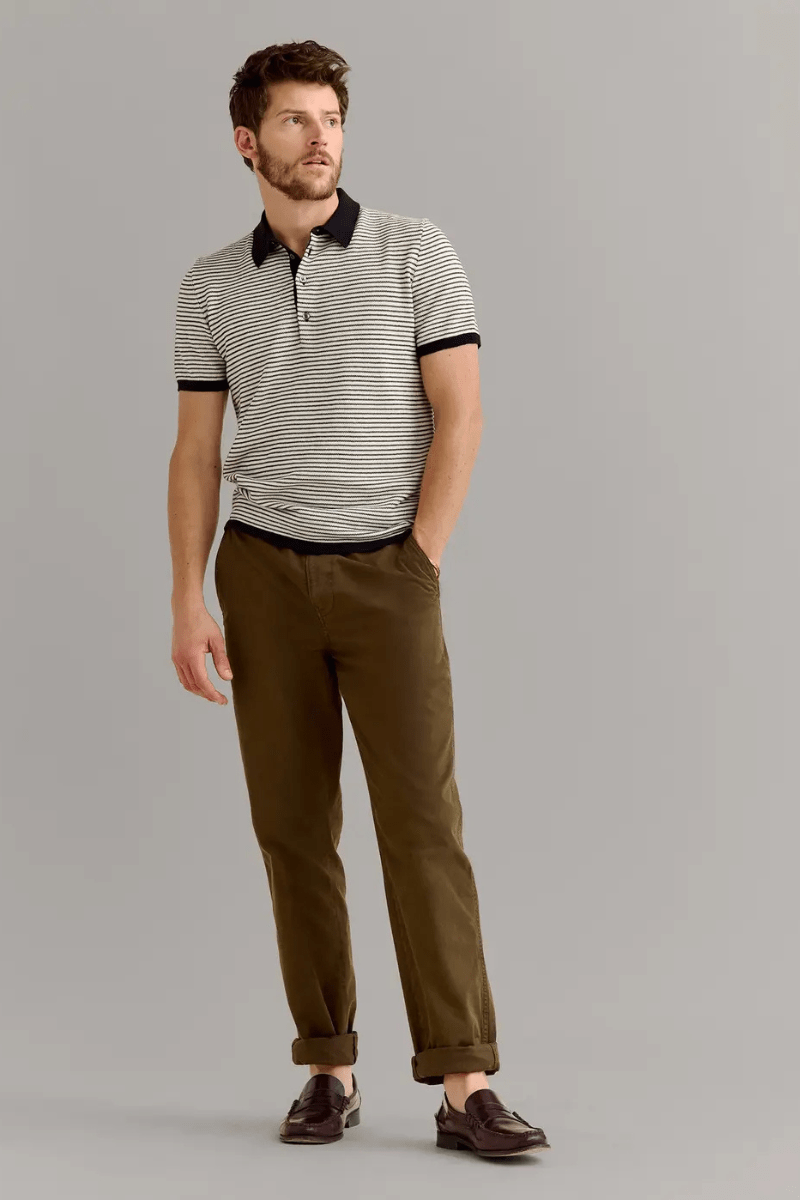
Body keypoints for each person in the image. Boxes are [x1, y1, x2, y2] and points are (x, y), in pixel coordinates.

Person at [168, 38, 550, 1160]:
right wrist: (187, 597)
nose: (320, 139)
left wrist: (417, 560)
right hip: (261, 575)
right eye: (295, 120)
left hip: (387, 571)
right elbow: (196, 454)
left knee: (423, 824)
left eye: (331, 119)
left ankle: (465, 1083)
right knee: (292, 830)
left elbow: (461, 414)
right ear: (248, 142)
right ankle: (326, 1068)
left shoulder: (414, 251)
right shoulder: (209, 286)